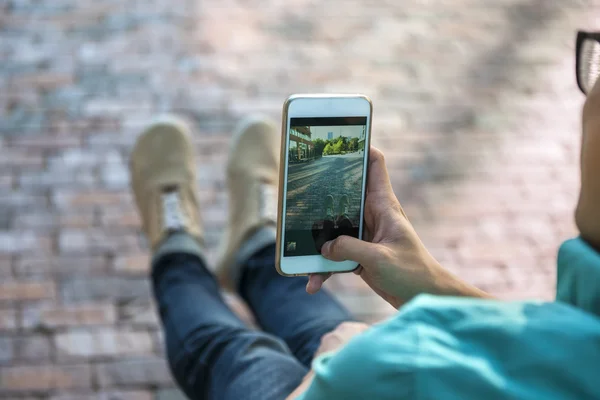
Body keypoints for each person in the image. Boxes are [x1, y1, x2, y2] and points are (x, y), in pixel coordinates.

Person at [130, 47, 600, 400]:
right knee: (309, 305)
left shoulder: (392, 367)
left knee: (233, 350)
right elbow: (546, 348)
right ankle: (255, 247)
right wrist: (429, 283)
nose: (588, 95)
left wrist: (335, 372)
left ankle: (176, 251)